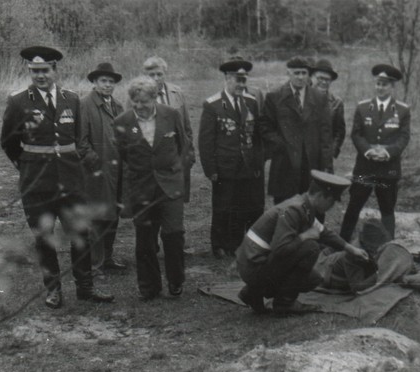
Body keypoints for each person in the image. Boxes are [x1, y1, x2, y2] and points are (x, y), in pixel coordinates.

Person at [0, 46, 114, 308]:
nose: (40, 76)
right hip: (37, 184)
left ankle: (86, 287)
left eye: (45, 71)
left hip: (71, 181)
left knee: (81, 233)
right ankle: (53, 290)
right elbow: (8, 141)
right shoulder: (18, 101)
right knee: (44, 237)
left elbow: (76, 137)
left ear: (55, 70)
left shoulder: (71, 99)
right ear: (29, 71)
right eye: (34, 71)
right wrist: (28, 165)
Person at [236, 170, 369, 315]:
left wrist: (351, 249)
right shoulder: (294, 209)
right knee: (311, 248)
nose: (331, 207)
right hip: (253, 267)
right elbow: (280, 249)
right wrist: (304, 236)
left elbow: (324, 232)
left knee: (313, 279)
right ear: (320, 196)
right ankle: (284, 303)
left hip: (255, 262)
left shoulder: (304, 205)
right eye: (331, 201)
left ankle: (252, 293)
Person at [113, 76, 187, 300]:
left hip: (169, 187)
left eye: (143, 102)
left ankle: (176, 281)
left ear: (155, 98)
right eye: (134, 102)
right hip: (141, 189)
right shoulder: (122, 122)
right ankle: (149, 287)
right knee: (145, 239)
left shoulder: (171, 115)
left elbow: (182, 147)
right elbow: (122, 156)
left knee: (174, 234)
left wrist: (175, 174)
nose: (139, 107)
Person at [198, 57, 265, 259]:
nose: (241, 85)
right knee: (223, 206)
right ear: (227, 79)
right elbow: (206, 141)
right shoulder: (213, 105)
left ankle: (236, 244)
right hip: (225, 167)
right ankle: (218, 244)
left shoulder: (251, 102)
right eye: (238, 80)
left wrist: (258, 162)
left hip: (248, 166)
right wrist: (211, 170)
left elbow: (257, 136)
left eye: (244, 80)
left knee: (244, 206)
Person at [339, 64, 411, 241]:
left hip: (388, 169)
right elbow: (356, 134)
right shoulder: (363, 107)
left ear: (392, 87)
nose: (380, 87)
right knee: (354, 205)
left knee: (387, 209)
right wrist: (368, 150)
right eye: (378, 83)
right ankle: (341, 242)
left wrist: (388, 153)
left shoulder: (402, 110)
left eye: (384, 84)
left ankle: (390, 247)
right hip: (365, 167)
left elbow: (403, 137)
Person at [260, 56, 333, 204]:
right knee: (285, 209)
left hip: (312, 164)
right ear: (288, 73)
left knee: (313, 206)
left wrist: (327, 165)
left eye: (304, 73)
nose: (300, 77)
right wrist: (281, 144)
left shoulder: (319, 98)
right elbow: (264, 126)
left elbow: (326, 134)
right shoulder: (275, 97)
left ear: (309, 75)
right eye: (297, 73)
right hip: (285, 164)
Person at [80, 62, 126, 276]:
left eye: (111, 82)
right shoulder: (84, 105)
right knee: (97, 216)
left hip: (118, 171)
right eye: (103, 81)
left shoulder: (118, 106)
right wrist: (94, 161)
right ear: (95, 82)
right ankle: (95, 263)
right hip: (96, 172)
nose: (107, 85)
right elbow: (81, 142)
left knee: (113, 214)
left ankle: (108, 257)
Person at [142, 56, 195, 203]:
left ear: (165, 74)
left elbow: (186, 127)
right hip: (152, 163)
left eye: (159, 74)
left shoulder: (177, 93)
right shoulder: (136, 96)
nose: (156, 78)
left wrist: (189, 154)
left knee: (174, 205)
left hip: (176, 159)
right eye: (151, 75)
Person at [311, 59, 346, 159]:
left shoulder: (336, 102)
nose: (324, 82)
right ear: (312, 77)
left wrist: (331, 153)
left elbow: (339, 132)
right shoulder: (302, 98)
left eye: (327, 79)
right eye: (320, 78)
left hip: (324, 156)